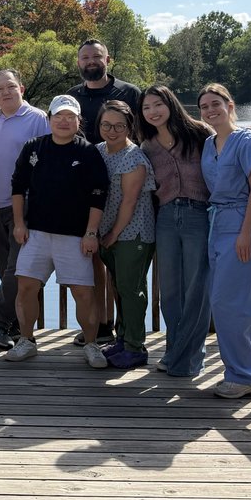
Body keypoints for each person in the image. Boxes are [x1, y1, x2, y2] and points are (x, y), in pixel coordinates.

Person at [6, 94, 109, 368]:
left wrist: (91, 232)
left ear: (78, 121)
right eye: (58, 116)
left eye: (70, 116)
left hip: (75, 236)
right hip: (36, 233)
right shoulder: (33, 147)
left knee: (83, 293)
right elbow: (18, 187)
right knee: (26, 286)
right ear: (49, 119)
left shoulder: (88, 152)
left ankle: (91, 344)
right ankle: (26, 341)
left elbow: (98, 195)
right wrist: (19, 223)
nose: (64, 121)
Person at [69, 38, 141, 347]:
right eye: (85, 57)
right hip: (85, 189)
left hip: (125, 184)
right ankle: (99, 326)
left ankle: (126, 333)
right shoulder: (71, 97)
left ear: (107, 59)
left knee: (121, 263)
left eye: (96, 56)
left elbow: (148, 132)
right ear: (78, 63)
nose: (90, 62)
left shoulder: (130, 93)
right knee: (92, 258)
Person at [199, 83, 251, 399]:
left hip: (242, 224)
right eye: (204, 106)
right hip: (217, 225)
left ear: (230, 105)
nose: (210, 110)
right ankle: (243, 370)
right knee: (221, 300)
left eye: (216, 103)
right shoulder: (209, 143)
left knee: (232, 303)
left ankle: (243, 375)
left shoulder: (246, 139)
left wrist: (245, 232)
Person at [138, 84, 213, 377]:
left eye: (157, 104)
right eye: (146, 108)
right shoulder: (148, 145)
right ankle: (174, 351)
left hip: (199, 214)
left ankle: (187, 359)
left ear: (170, 103)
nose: (153, 112)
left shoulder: (200, 133)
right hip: (166, 218)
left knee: (196, 289)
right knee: (170, 292)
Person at [0, 67, 50, 349]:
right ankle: (17, 327)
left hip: (26, 206)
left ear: (22, 88)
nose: (5, 92)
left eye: (10, 86)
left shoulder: (37, 118)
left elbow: (48, 159)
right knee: (8, 269)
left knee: (20, 269)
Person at [95, 100, 156, 369]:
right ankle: (123, 339)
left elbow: (129, 202)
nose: (112, 130)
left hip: (133, 233)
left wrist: (113, 235)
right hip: (108, 232)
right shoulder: (98, 151)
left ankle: (135, 347)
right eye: (106, 124)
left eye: (119, 125)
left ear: (129, 127)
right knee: (120, 286)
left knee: (132, 290)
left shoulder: (134, 158)